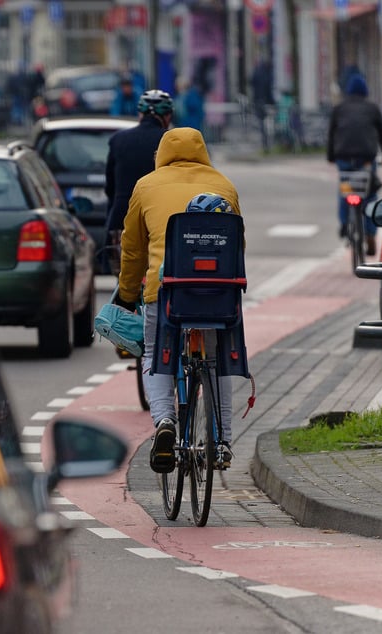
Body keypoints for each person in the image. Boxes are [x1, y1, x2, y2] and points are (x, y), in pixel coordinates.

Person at [114, 127, 242, 473]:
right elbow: (237, 244)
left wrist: (126, 294)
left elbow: (134, 249)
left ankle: (165, 422)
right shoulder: (224, 185)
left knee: (156, 356)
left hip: (166, 292)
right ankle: (223, 442)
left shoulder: (146, 186)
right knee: (216, 364)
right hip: (219, 293)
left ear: (162, 154)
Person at [103, 90, 174, 274]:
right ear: (167, 116)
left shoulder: (118, 140)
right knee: (159, 274)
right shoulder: (170, 141)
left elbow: (110, 187)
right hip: (158, 219)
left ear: (140, 114)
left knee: (124, 279)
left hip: (123, 218)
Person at [326, 72, 382, 255]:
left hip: (344, 159)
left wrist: (331, 157)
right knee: (370, 195)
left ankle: (345, 223)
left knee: (345, 190)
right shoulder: (372, 109)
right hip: (366, 160)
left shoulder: (339, 109)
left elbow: (332, 135)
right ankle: (370, 232)